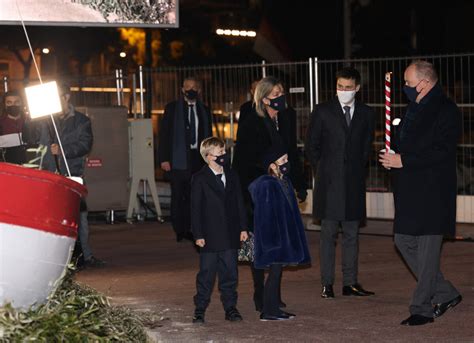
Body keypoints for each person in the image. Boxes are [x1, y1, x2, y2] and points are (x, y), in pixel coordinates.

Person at [379, 60, 462, 326]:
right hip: (410, 190)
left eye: (408, 83)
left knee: (427, 252)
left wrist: (405, 160)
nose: (405, 88)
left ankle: (422, 308)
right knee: (403, 240)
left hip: (433, 191)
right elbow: (405, 141)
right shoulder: (413, 107)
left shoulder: (447, 110)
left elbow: (443, 150)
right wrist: (393, 153)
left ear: (425, 83)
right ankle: (446, 292)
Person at [232, 76, 308, 312]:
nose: (281, 97)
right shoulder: (252, 120)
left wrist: (299, 183)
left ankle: (272, 295)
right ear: (264, 98)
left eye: (282, 92)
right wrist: (268, 168)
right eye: (275, 94)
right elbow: (245, 158)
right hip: (258, 189)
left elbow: (292, 151)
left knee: (279, 240)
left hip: (281, 186)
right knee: (261, 241)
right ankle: (260, 293)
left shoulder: (286, 117)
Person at [305, 67, 375, 299]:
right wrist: (324, 170)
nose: (343, 91)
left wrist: (356, 168)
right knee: (328, 235)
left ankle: (350, 283)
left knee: (352, 235)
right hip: (329, 184)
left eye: (348, 87)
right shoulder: (323, 111)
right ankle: (327, 283)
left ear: (357, 88)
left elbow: (367, 145)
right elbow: (311, 146)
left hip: (354, 183)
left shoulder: (366, 112)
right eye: (340, 87)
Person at [41, 83, 103, 269]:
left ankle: (85, 255)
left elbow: (85, 145)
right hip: (48, 174)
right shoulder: (44, 120)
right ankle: (56, 259)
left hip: (72, 174)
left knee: (78, 217)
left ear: (66, 97)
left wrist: (62, 150)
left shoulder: (81, 120)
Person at [248, 145, 311, 321]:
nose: (286, 163)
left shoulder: (284, 181)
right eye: (282, 161)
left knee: (277, 272)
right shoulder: (268, 185)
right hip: (274, 238)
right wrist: (272, 239)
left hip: (284, 236)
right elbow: (266, 215)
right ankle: (268, 310)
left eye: (286, 159)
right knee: (274, 273)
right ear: (272, 165)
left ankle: (274, 307)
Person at [190, 137, 248, 324]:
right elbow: (195, 208)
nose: (224, 155)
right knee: (206, 274)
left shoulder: (232, 175)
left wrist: (243, 227)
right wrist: (197, 234)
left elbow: (240, 203)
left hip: (230, 234)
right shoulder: (200, 178)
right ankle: (200, 309)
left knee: (230, 273)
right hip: (210, 235)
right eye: (220, 153)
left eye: (224, 151)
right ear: (208, 157)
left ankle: (230, 307)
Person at [157, 76, 212, 242]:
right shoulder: (172, 109)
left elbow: (209, 135)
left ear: (199, 90)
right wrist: (164, 159)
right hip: (178, 159)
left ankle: (191, 228)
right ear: (182, 89)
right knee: (178, 196)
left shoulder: (205, 110)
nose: (191, 90)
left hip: (198, 158)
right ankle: (179, 229)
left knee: (194, 195)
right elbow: (164, 135)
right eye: (187, 87)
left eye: (194, 87)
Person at [0, 90, 29, 164]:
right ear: (5, 105)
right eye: (9, 102)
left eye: (17, 102)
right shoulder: (1, 123)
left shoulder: (30, 122)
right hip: (9, 170)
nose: (13, 105)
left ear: (22, 103)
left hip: (31, 168)